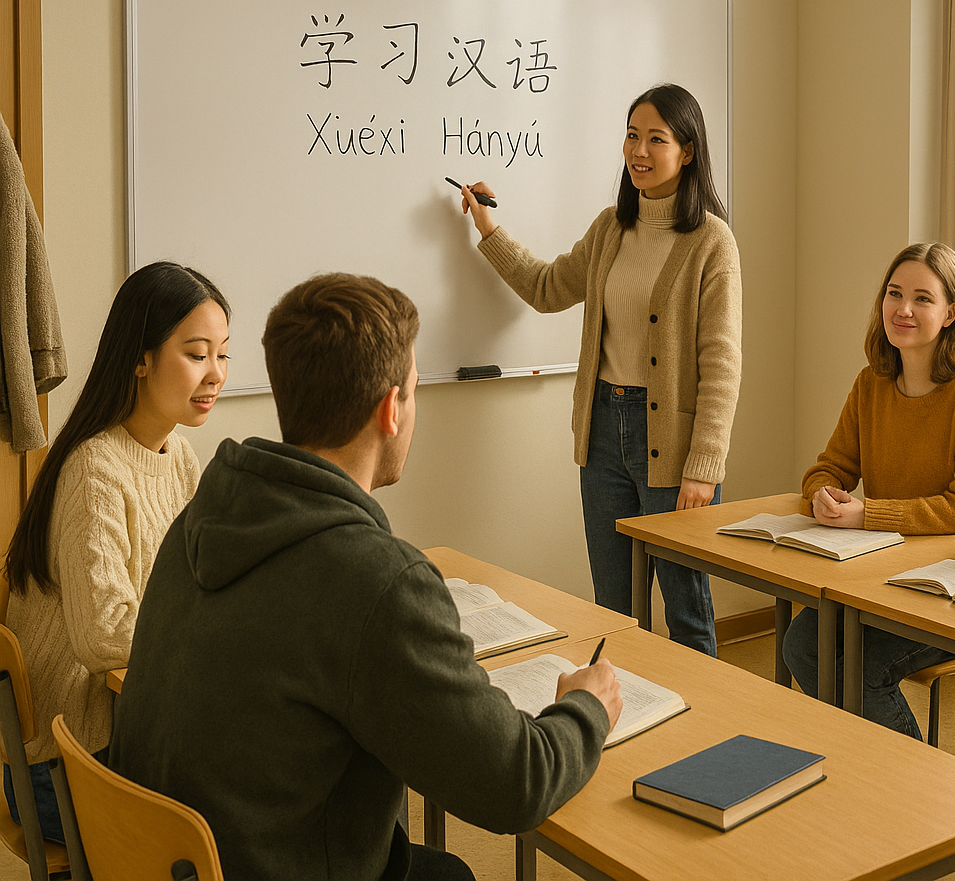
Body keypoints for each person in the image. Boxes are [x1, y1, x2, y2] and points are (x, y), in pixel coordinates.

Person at [110, 273, 622, 881]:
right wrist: (586, 707)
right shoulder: (377, 582)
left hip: (174, 860)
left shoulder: (206, 513)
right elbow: (517, 785)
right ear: (390, 407)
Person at [455, 83, 741, 657]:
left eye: (655, 139)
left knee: (686, 608)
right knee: (613, 604)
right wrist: (489, 228)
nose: (638, 150)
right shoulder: (611, 228)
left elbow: (722, 361)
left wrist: (704, 465)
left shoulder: (712, 241)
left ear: (687, 150)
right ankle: (625, 712)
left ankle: (712, 728)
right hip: (604, 430)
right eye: (631, 136)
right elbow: (545, 286)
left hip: (673, 444)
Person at [2, 262, 228, 844]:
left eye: (223, 355)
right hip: (69, 765)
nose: (216, 374)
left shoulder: (178, 456)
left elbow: (204, 578)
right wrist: (212, 632)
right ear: (140, 357)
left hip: (129, 727)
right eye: (197, 354)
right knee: (255, 804)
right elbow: (103, 637)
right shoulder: (94, 472)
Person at [782, 241, 955, 738]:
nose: (903, 309)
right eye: (894, 294)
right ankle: (865, 769)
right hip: (885, 576)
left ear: (951, 312)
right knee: (801, 645)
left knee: (854, 667)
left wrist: (868, 515)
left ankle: (910, 787)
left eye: (922, 298)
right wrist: (823, 493)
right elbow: (828, 468)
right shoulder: (872, 383)